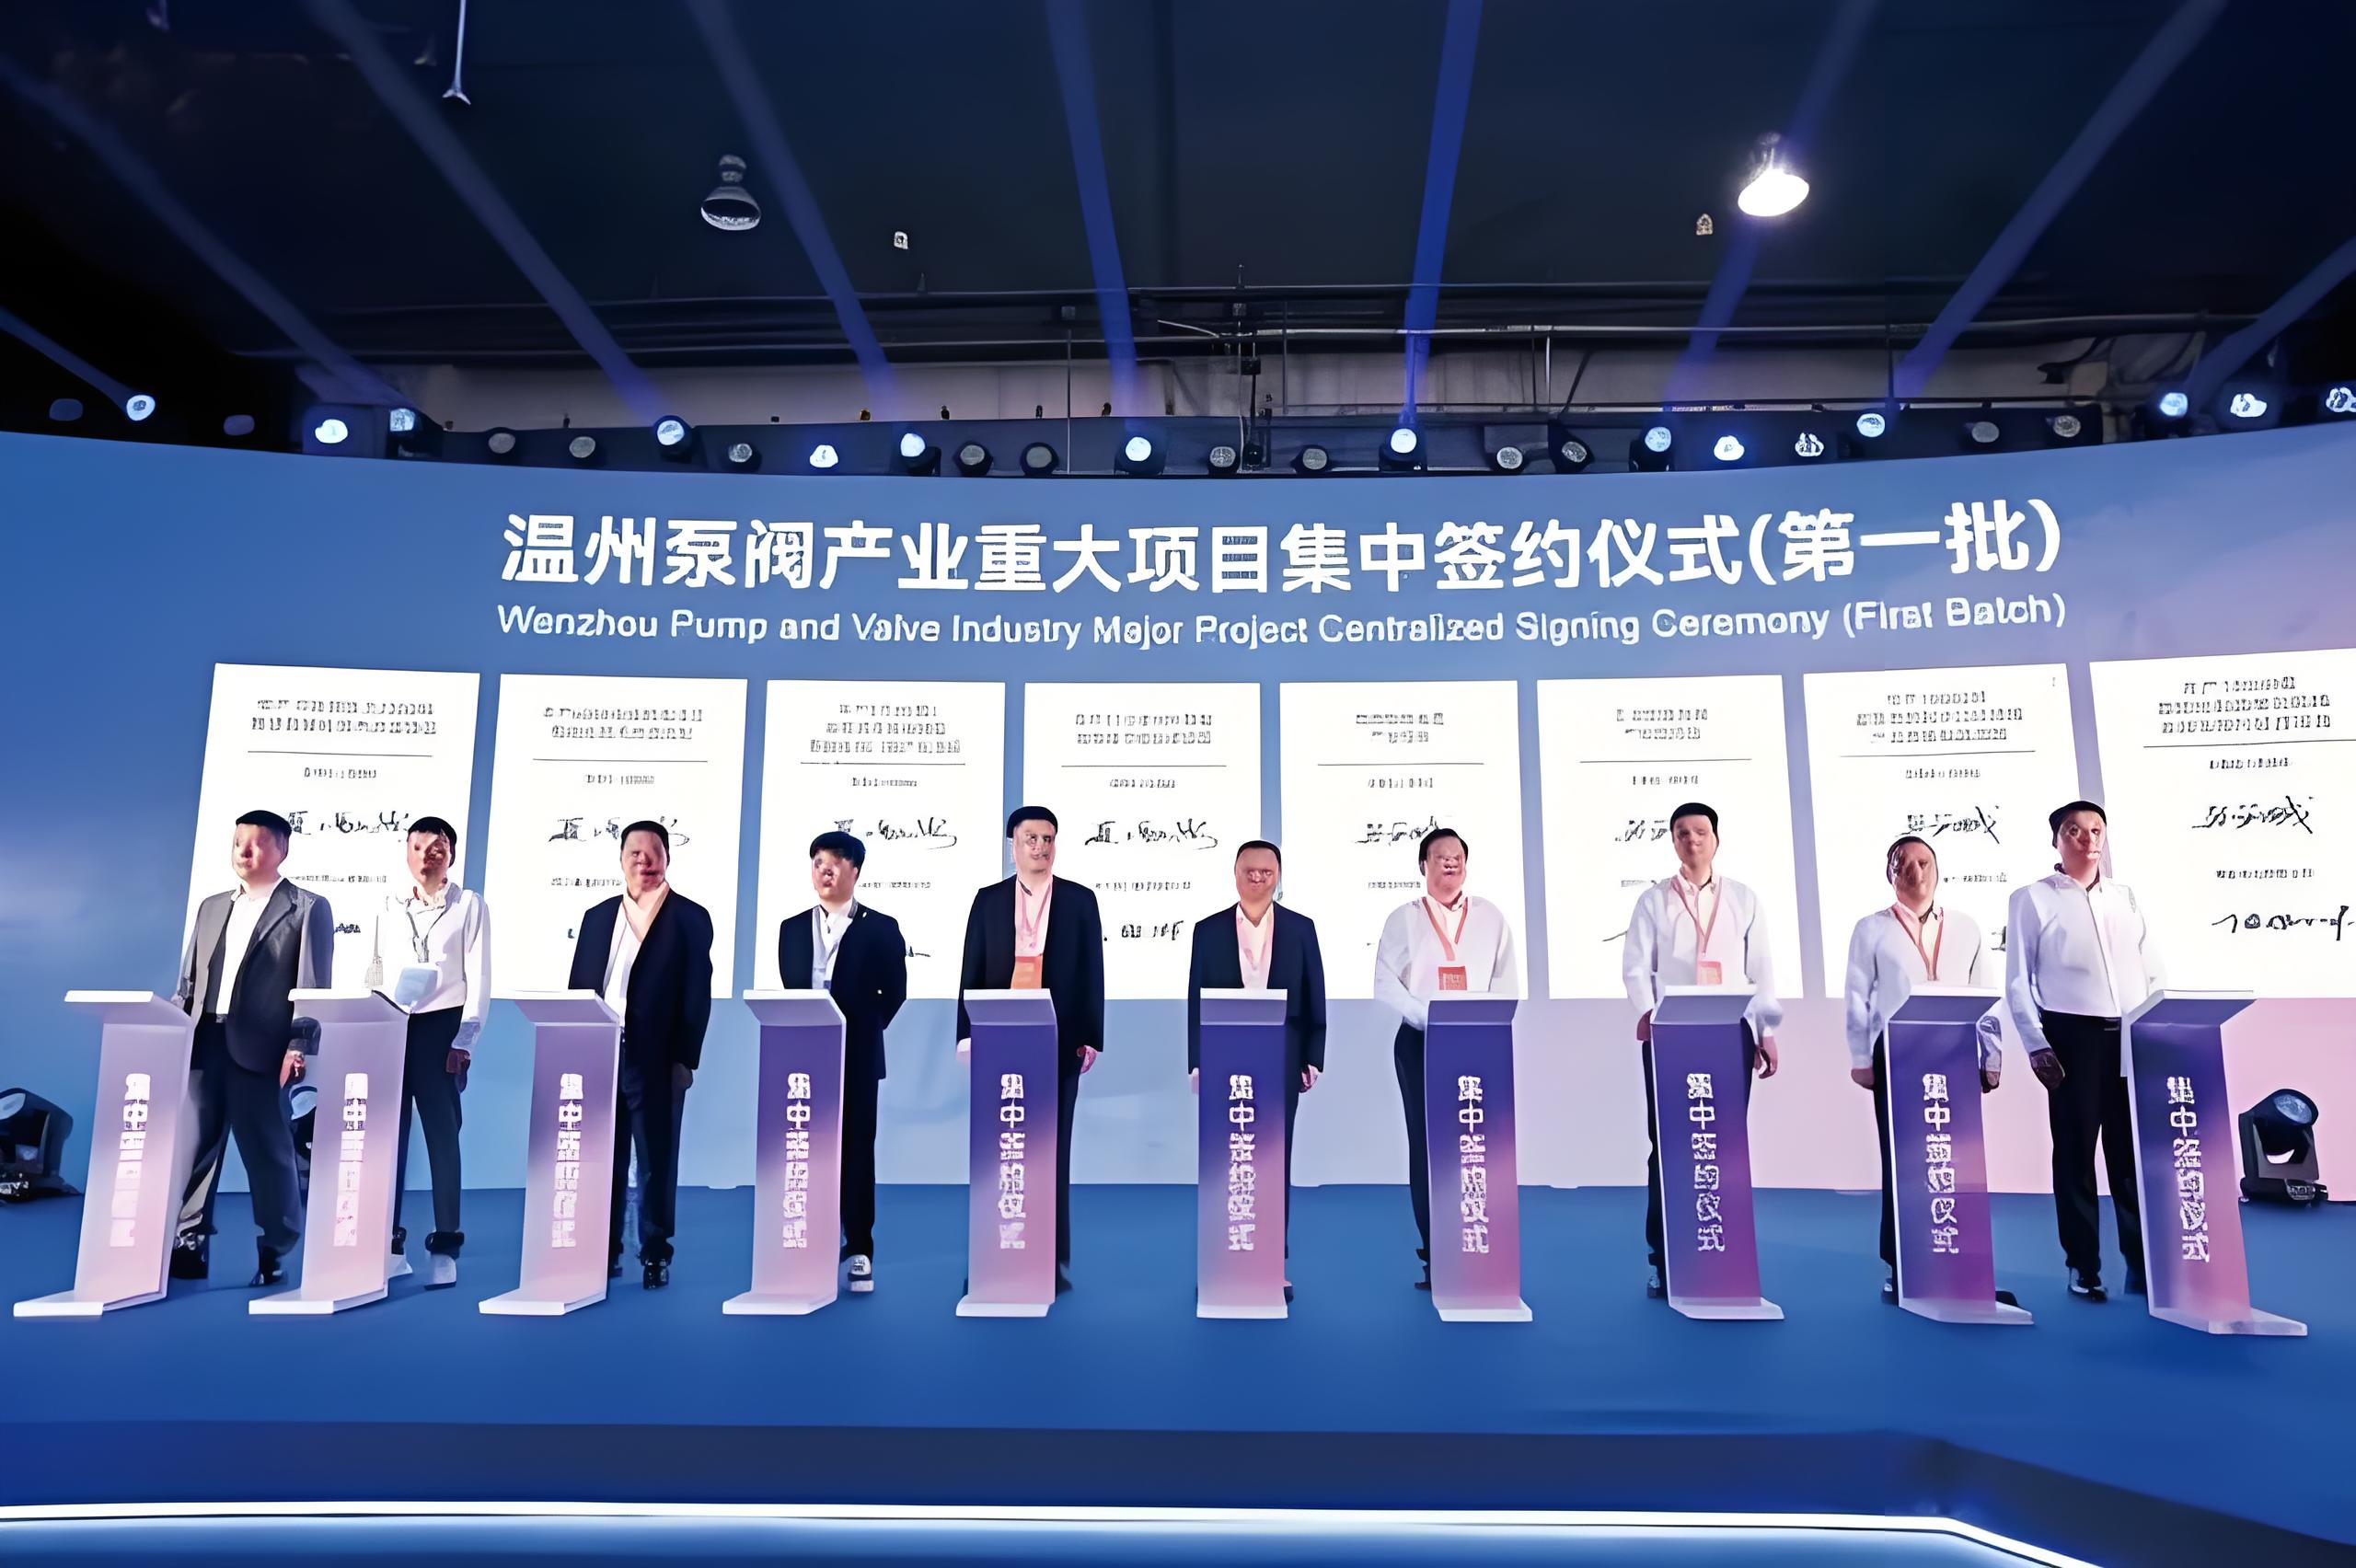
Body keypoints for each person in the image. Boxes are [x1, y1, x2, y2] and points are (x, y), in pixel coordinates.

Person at [1622, 801, 1781, 1299]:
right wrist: (1648, 1012)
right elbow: (1635, 965)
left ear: (1716, 840)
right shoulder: (1654, 900)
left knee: (1723, 1144)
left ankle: (1722, 1248)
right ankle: (1664, 1257)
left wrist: (1764, 1030)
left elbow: (1761, 969)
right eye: (1682, 833)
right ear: (1673, 841)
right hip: (1672, 1033)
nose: (1692, 840)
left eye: (1700, 832)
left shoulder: (1743, 898)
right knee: (1668, 1144)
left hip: (1730, 1032)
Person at [2005, 800, 2163, 1301]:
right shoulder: (2033, 898)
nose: (2088, 839)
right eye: (2075, 830)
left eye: (2096, 829)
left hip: (2131, 1034)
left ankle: (2143, 1263)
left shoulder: (2125, 896)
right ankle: (2083, 1266)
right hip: (2072, 1037)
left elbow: (2149, 965)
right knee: (2076, 1154)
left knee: (2130, 1154)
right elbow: (2017, 979)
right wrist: (2036, 1043)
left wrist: (2160, 1022)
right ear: (2057, 840)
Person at [171, 809, 335, 1286]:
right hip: (205, 1040)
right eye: (239, 840)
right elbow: (188, 981)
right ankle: (190, 1239)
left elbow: (312, 986)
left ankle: (275, 1247)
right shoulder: (210, 907)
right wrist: (173, 1030)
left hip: (263, 1048)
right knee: (197, 1145)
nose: (244, 850)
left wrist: (298, 1045)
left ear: (282, 849)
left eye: (258, 841)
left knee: (267, 1152)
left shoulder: (306, 907)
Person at [1842, 835, 2001, 1300]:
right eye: (1903, 863)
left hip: (1955, 1053)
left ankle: (1959, 1255)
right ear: (1890, 875)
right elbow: (1857, 997)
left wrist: (1991, 1055)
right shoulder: (1871, 929)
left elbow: (1986, 996)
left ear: (1938, 869)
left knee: (1956, 1159)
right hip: (1897, 1054)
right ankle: (1900, 1262)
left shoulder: (1966, 927)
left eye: (1923, 862)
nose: (1915, 871)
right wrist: (1860, 1057)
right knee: (1903, 1160)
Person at [956, 806, 1104, 1292]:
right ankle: (992, 1255)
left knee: (1051, 1148)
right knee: (998, 1148)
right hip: (998, 1037)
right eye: (1031, 838)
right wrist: (966, 1033)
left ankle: (1051, 1260)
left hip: (1060, 1039)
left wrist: (1091, 1035)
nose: (1041, 847)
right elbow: (971, 969)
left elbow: (1092, 971)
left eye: (1048, 838)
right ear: (1012, 845)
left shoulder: (1080, 901)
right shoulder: (988, 900)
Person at [565, 820, 714, 1290]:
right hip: (600, 1050)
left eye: (653, 853)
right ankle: (602, 1249)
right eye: (634, 853)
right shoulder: (597, 917)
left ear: (667, 858)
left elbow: (697, 996)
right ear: (621, 860)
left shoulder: (690, 917)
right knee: (601, 1155)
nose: (643, 861)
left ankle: (655, 1252)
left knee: (655, 1158)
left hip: (658, 1056)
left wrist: (685, 1059)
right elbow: (579, 987)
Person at [1371, 826, 1518, 1289]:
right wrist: (1428, 1018)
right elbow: (1385, 981)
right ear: (1423, 865)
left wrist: (1486, 1020)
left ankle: (1477, 1243)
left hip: (1478, 1044)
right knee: (1428, 1146)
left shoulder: (1490, 916)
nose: (1450, 863)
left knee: (1477, 1145)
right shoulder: (1404, 918)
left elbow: (1506, 979)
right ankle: (1436, 1253)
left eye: (1457, 857)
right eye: (1440, 857)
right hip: (1421, 1041)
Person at [1185, 839, 1327, 1299]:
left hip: (1282, 1057)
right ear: (1235, 873)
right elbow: (1195, 1001)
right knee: (1225, 1158)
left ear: (1278, 877)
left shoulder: (1300, 928)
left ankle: (1271, 1261)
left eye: (1267, 872)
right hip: (1223, 1059)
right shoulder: (1208, 931)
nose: (1258, 878)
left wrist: (1313, 1056)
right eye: (1250, 870)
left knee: (1272, 1158)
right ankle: (1223, 1259)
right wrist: (1196, 1061)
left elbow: (1315, 996)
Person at [777, 829, 907, 1294]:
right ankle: (808, 1244)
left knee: (855, 1152)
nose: (824, 871)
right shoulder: (791, 928)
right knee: (805, 1153)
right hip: (802, 1062)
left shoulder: (881, 927)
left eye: (834, 862)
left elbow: (895, 993)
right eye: (817, 862)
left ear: (855, 870)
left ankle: (859, 1249)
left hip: (858, 1059)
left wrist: (863, 1032)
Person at [366, 815, 488, 1290]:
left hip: (441, 1028)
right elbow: (374, 969)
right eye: (417, 848)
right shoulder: (387, 905)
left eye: (436, 848)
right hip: (391, 1025)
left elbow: (479, 976)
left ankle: (445, 1244)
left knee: (442, 1136)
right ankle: (387, 1243)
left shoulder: (468, 905)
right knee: (387, 1137)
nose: (426, 857)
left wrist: (464, 1040)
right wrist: (368, 1023)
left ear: (451, 854)